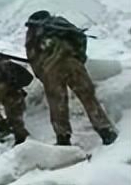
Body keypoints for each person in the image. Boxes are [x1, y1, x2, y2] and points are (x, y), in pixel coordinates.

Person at [24, 10, 117, 146]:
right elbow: (80, 38)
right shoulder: (61, 25)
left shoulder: (34, 32)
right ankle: (105, 131)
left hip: (51, 69)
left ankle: (63, 138)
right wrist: (79, 59)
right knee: (88, 98)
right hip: (73, 64)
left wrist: (42, 75)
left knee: (57, 103)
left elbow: (32, 57)